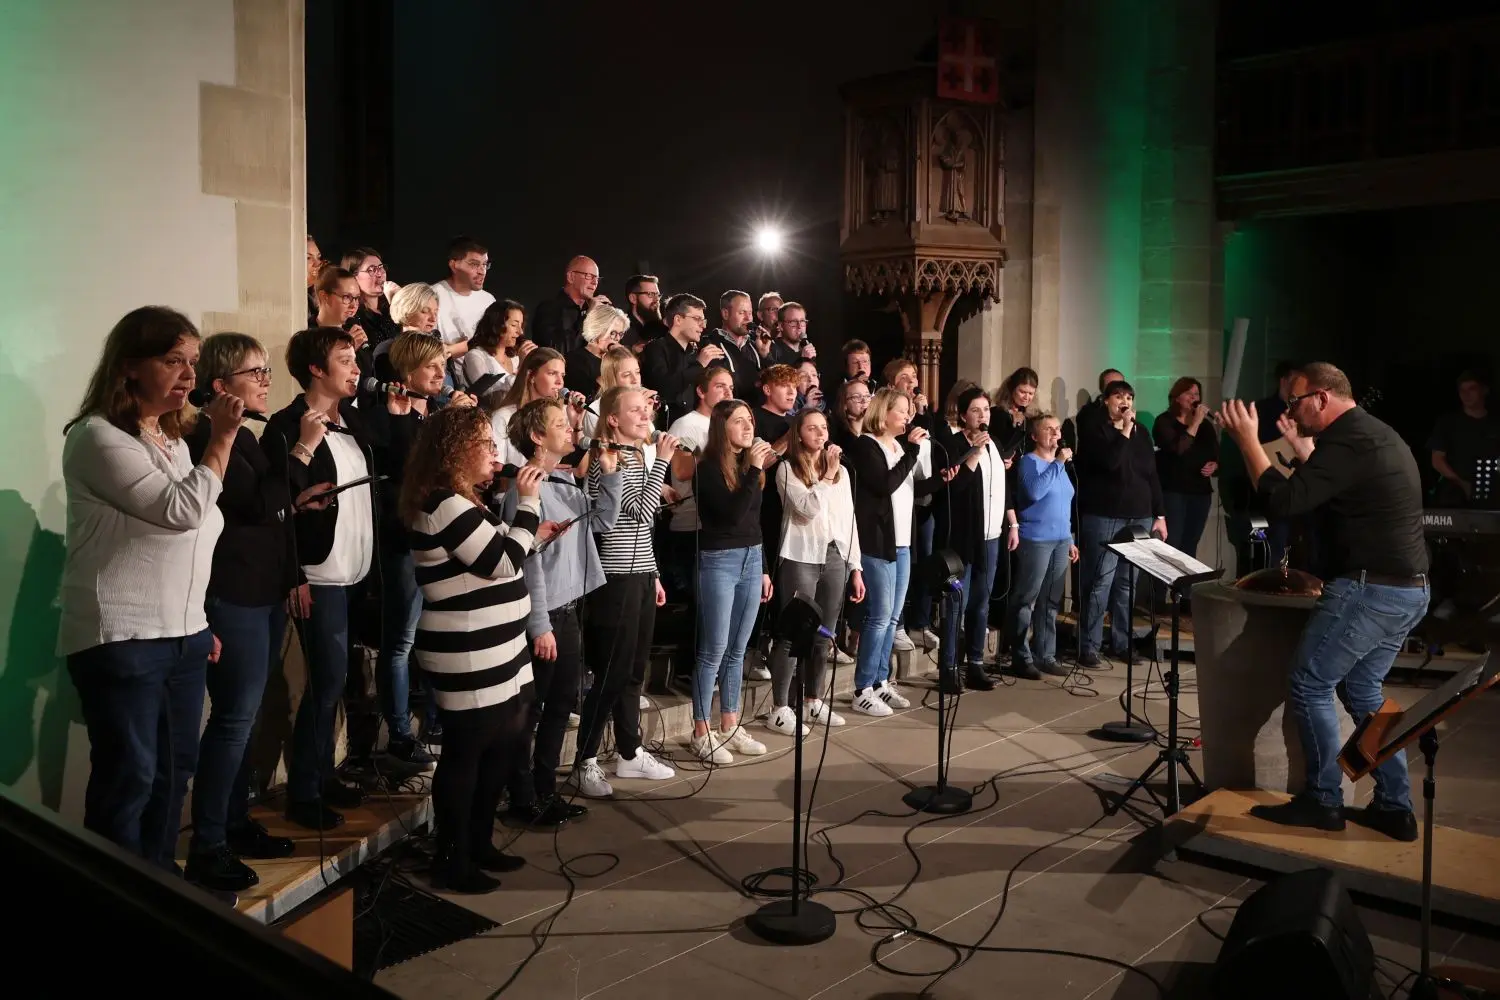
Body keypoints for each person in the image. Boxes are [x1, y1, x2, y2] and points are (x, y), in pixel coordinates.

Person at [1218, 363, 1428, 841]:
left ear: (1321, 398)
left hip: (1370, 589)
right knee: (1365, 695)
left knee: (1309, 683)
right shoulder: (1367, 434)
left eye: (1293, 402)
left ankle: (1322, 800)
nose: (1287, 412)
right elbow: (1328, 492)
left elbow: (1286, 503)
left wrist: (1249, 442)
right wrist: (1304, 451)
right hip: (1407, 589)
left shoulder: (1349, 439)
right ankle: (1396, 806)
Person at [59, 307, 235, 876]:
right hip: (125, 636)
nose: (188, 375)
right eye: (172, 360)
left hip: (181, 635)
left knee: (174, 770)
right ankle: (116, 901)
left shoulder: (172, 441)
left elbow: (194, 539)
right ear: (130, 367)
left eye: (192, 361)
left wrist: (197, 619)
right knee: (130, 777)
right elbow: (182, 511)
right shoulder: (97, 437)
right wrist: (223, 439)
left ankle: (161, 893)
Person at [184, 333, 326, 892]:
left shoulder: (246, 437)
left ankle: (235, 824)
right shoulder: (210, 436)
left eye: (268, 371)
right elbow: (254, 503)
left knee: (243, 718)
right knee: (233, 720)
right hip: (234, 595)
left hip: (263, 591)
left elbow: (271, 509)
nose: (267, 382)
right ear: (221, 387)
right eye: (255, 373)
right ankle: (209, 842)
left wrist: (294, 501)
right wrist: (300, 453)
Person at [402, 406, 553, 892]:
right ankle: (452, 857)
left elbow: (502, 550)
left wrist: (524, 529)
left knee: (506, 746)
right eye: (485, 444)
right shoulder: (442, 501)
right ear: (454, 451)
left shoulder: (468, 500)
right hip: (467, 647)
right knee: (467, 753)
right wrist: (528, 505)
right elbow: (501, 560)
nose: (495, 454)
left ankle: (480, 841)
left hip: (501, 645)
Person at [263, 327, 375, 830]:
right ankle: (304, 792)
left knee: (339, 682)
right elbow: (278, 508)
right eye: (345, 359)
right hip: (319, 572)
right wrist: (294, 575)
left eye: (356, 359)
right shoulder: (287, 425)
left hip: (356, 570)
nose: (356, 369)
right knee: (323, 681)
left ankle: (323, 774)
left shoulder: (352, 421)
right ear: (316, 368)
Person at [500, 399, 620, 827]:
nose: (571, 430)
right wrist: (539, 625)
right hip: (544, 613)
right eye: (560, 425)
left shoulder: (565, 483)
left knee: (559, 706)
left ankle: (545, 789)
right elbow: (526, 559)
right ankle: (521, 795)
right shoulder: (525, 488)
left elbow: (603, 521)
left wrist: (610, 472)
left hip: (568, 610)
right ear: (536, 436)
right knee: (531, 710)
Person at [570, 387, 679, 797]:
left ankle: (630, 753)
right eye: (635, 409)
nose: (645, 413)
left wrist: (654, 574)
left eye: (646, 407)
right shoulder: (609, 458)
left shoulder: (637, 455)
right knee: (613, 671)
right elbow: (636, 510)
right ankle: (585, 760)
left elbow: (643, 528)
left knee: (634, 669)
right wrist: (664, 462)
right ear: (613, 419)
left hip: (640, 572)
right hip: (614, 576)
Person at [766, 409, 864, 735]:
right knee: (793, 633)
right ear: (799, 434)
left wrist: (856, 566)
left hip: (835, 555)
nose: (821, 434)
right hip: (799, 556)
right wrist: (826, 476)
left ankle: (812, 700)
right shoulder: (786, 469)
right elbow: (807, 510)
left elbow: (847, 520)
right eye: (812, 428)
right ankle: (780, 708)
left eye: (824, 427)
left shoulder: (842, 474)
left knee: (824, 634)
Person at [689, 400, 775, 763]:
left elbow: (754, 521)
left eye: (750, 419)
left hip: (752, 558)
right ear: (722, 426)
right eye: (739, 421)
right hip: (719, 560)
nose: (748, 426)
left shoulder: (747, 467)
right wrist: (754, 471)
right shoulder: (707, 468)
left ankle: (729, 723)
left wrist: (765, 567)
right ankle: (700, 730)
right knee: (714, 649)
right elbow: (730, 514)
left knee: (739, 649)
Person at [848, 388, 941, 717]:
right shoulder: (866, 445)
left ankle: (880, 682)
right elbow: (884, 484)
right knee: (878, 615)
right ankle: (862, 688)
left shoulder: (899, 447)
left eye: (908, 411)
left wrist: (940, 479)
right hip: (877, 542)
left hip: (902, 541)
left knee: (891, 617)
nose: (907, 416)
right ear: (883, 412)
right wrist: (913, 452)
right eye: (901, 410)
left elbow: (907, 489)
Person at [1075, 379, 1167, 667]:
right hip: (1104, 514)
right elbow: (1112, 463)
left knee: (1127, 582)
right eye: (1118, 396)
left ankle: (1122, 643)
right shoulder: (1095, 430)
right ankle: (1088, 646)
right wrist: (1124, 431)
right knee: (1100, 582)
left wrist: (1160, 514)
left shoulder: (1142, 433)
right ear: (1106, 401)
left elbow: (1151, 475)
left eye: (1129, 396)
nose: (1124, 401)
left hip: (1138, 514)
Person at [934, 386, 1014, 693]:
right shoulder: (954, 445)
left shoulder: (994, 445)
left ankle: (976, 664)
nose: (983, 416)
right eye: (976, 411)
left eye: (987, 410)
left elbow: (1002, 485)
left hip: (993, 536)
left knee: (981, 603)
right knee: (957, 603)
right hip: (964, 538)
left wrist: (1013, 522)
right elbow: (954, 489)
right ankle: (949, 667)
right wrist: (974, 453)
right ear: (964, 415)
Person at [1008, 415, 1078, 678]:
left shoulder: (1060, 467)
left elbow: (1063, 504)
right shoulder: (1029, 462)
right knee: (1027, 598)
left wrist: (1070, 539)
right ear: (1035, 436)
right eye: (1048, 429)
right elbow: (1034, 492)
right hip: (1036, 539)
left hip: (1060, 540)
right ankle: (1020, 656)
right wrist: (1058, 463)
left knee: (1050, 601)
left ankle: (1046, 654)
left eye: (1057, 429)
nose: (1055, 433)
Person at [1152, 377, 1219, 561]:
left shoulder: (1206, 427)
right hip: (1174, 491)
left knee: (1190, 543)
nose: (1194, 398)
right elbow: (1179, 448)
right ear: (1176, 397)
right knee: (1172, 543)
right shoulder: (1164, 422)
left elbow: (1215, 454)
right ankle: (1161, 589)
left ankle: (1184, 590)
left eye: (1197, 394)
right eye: (1189, 394)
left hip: (1200, 493)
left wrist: (1215, 465)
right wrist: (1195, 422)